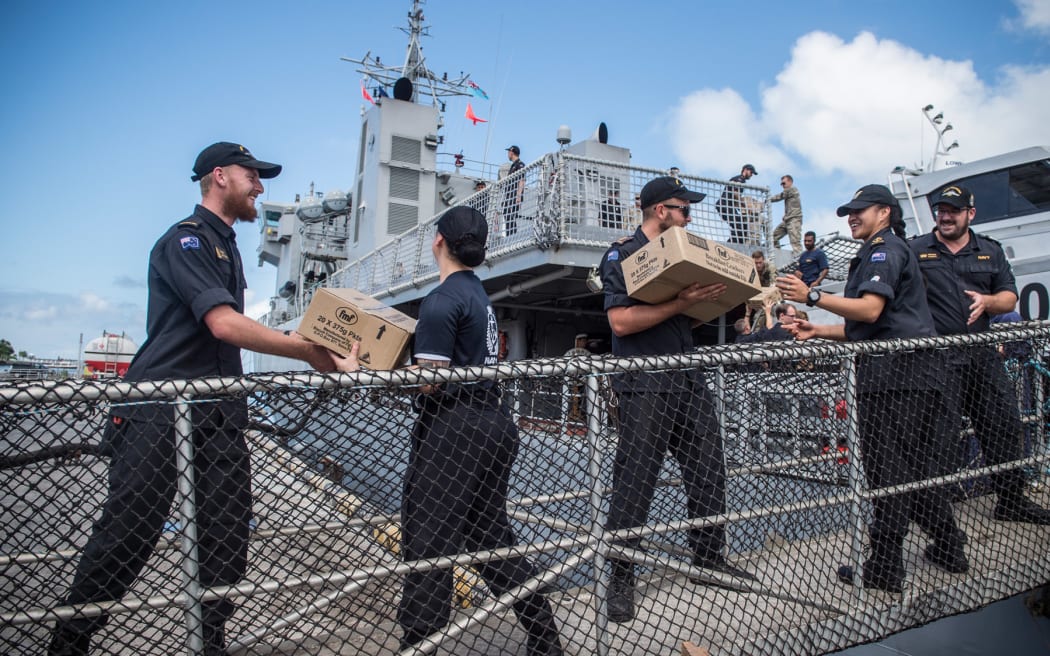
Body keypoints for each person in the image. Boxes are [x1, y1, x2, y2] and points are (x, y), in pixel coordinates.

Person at [48, 142, 350, 656]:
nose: (260, 185)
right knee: (130, 532)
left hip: (219, 411)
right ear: (219, 177)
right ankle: (69, 643)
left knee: (229, 537)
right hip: (159, 409)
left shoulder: (227, 247)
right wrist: (307, 350)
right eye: (252, 175)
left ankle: (209, 642)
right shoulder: (184, 242)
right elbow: (223, 323)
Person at [776, 184, 968, 593]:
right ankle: (950, 547)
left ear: (884, 212)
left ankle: (884, 567)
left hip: (896, 379)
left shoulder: (885, 251)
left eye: (860, 210)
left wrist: (812, 295)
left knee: (888, 474)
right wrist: (817, 331)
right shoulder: (884, 251)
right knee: (916, 473)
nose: (851, 217)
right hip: (911, 374)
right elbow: (871, 327)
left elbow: (870, 309)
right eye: (848, 211)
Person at [393, 206, 563, 654]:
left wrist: (370, 371)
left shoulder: (442, 298)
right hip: (493, 422)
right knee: (491, 538)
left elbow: (429, 380)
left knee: (429, 539)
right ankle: (544, 638)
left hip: (454, 430)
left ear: (438, 243)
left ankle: (419, 644)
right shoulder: (478, 296)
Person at [600, 175, 753, 623]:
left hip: (687, 375)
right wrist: (680, 303)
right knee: (636, 479)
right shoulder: (622, 255)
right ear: (660, 211)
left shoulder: (682, 253)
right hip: (645, 382)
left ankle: (708, 558)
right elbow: (621, 324)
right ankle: (621, 577)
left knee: (709, 466)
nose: (689, 217)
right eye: (683, 209)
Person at [909, 185, 1050, 524]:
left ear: (970, 214)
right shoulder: (916, 250)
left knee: (1003, 425)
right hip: (939, 359)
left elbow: (1009, 298)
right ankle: (937, 519)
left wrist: (987, 302)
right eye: (941, 210)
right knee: (938, 439)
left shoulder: (990, 250)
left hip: (982, 355)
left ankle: (1011, 501)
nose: (945, 216)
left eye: (953, 211)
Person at [715, 164, 757, 244]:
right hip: (724, 205)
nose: (751, 175)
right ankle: (730, 245)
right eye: (751, 172)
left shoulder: (740, 180)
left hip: (728, 206)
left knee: (743, 226)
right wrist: (745, 207)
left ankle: (734, 244)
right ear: (745, 170)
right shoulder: (740, 179)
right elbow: (736, 194)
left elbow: (734, 197)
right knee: (739, 226)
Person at [769, 174, 804, 257]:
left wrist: (767, 199)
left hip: (794, 219)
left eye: (784, 183)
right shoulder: (789, 192)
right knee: (773, 237)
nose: (782, 185)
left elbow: (780, 196)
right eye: (781, 184)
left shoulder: (792, 189)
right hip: (788, 220)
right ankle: (777, 253)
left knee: (795, 242)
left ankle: (800, 261)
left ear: (790, 182)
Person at [502, 145, 526, 236]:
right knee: (507, 215)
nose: (508, 154)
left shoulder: (520, 165)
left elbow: (522, 180)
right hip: (509, 196)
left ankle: (512, 236)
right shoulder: (513, 165)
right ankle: (509, 235)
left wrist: (518, 196)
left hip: (514, 196)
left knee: (510, 216)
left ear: (512, 152)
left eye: (508, 152)